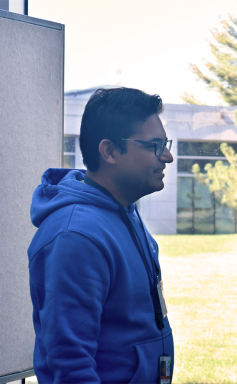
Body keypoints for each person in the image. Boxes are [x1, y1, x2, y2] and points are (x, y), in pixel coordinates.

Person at [28, 87, 174, 383]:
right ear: (109, 151)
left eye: (165, 143)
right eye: (154, 145)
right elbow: (71, 364)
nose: (168, 156)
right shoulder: (76, 236)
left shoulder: (123, 209)